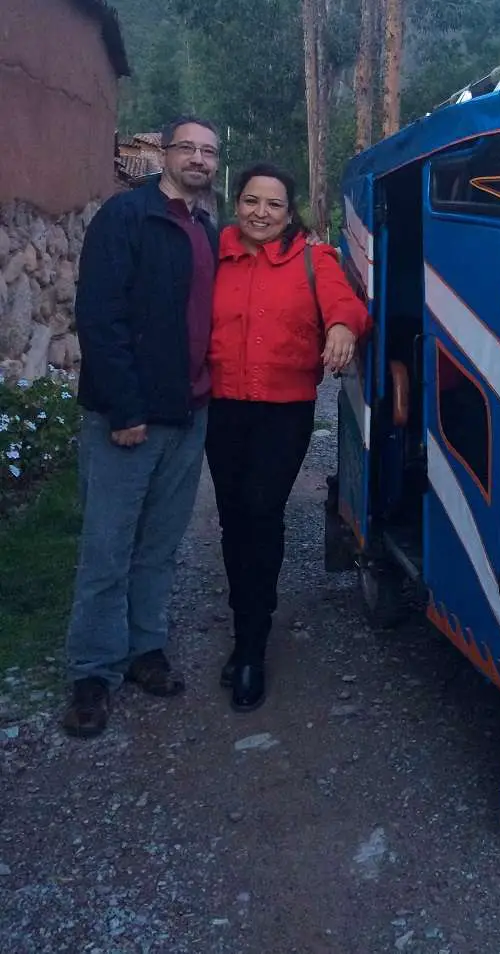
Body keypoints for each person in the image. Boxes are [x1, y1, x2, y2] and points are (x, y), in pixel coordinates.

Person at [63, 116, 222, 738]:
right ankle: (92, 673)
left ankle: (144, 649)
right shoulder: (125, 217)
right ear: (164, 154)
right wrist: (125, 408)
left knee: (159, 545)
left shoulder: (205, 229)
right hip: (129, 420)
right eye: (188, 147)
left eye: (210, 152)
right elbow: (99, 316)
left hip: (189, 415)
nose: (200, 159)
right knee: (107, 548)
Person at [207, 163, 370, 712]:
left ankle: (253, 646)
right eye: (251, 201)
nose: (261, 213)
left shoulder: (311, 256)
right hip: (223, 408)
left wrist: (343, 327)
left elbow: (346, 304)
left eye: (273, 205)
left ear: (289, 210)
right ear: (237, 202)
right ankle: (244, 631)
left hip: (284, 411)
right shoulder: (215, 253)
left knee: (261, 509)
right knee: (234, 520)